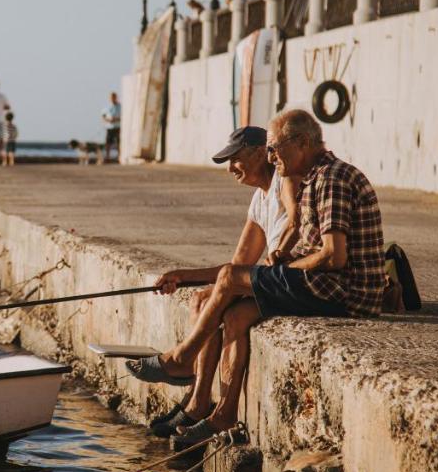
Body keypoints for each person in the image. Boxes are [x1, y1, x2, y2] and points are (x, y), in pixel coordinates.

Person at [129, 108, 385, 445]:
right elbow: (297, 248)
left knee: (231, 280)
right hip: (329, 285)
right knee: (236, 313)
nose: (271, 155)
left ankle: (181, 358)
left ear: (303, 143)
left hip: (343, 291)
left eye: (275, 148)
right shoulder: (315, 177)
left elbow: (333, 256)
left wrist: (282, 268)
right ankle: (222, 413)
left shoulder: (330, 179)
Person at [136, 127, 298, 441]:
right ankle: (198, 404)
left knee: (230, 313)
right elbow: (239, 263)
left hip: (288, 278)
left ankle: (184, 362)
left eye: (235, 159)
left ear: (257, 152)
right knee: (202, 300)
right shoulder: (259, 199)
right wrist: (183, 275)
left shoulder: (285, 184)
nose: (230, 169)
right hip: (269, 278)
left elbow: (289, 242)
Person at [101, 92, 121, 162]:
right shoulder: (107, 107)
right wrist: (108, 120)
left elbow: (124, 116)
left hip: (118, 126)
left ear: (116, 97)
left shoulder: (120, 106)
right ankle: (107, 157)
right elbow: (103, 116)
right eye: (111, 97)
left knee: (118, 143)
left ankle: (119, 157)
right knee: (108, 143)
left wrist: (116, 119)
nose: (112, 99)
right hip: (109, 127)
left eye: (114, 97)